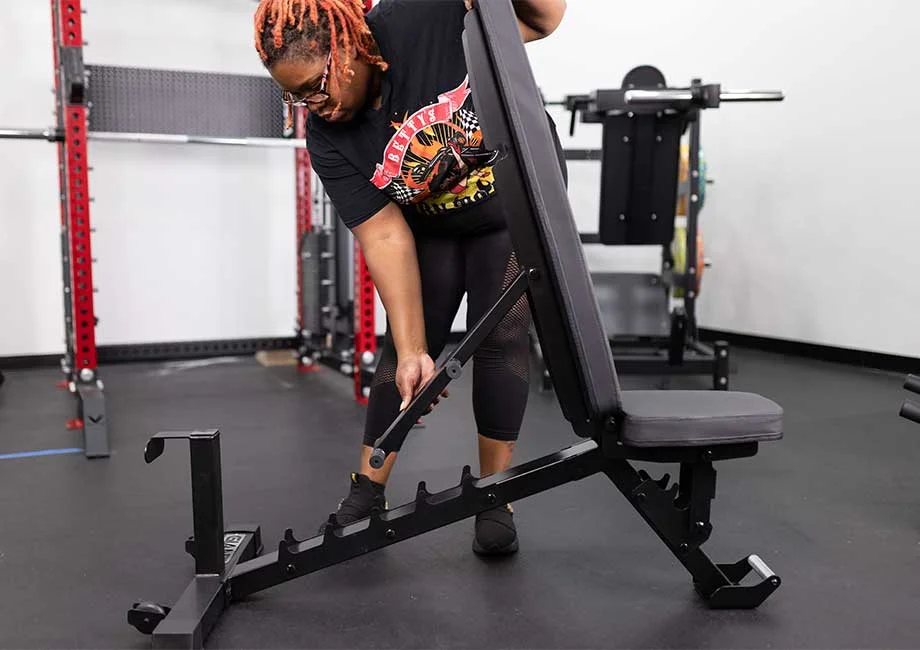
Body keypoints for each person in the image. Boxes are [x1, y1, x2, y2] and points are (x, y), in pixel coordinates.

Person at [254, 0, 567, 556]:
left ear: (344, 50)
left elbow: (543, 19)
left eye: (313, 87)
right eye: (294, 96)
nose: (311, 107)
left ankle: (495, 495)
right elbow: (384, 237)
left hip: (511, 201)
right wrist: (417, 348)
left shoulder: (422, 18)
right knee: (402, 353)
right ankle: (366, 490)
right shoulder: (328, 139)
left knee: (500, 334)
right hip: (431, 223)